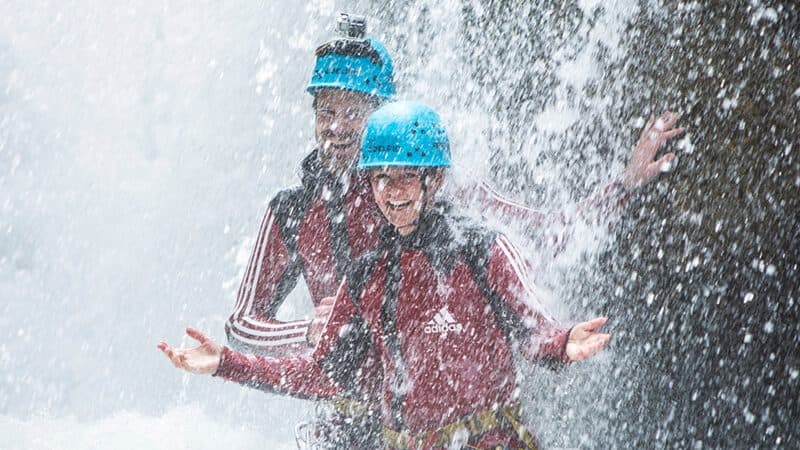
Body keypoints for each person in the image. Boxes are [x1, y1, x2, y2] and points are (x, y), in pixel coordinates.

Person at [160, 101, 613, 449]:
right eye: (379, 178)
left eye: (403, 177)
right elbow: (324, 374)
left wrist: (562, 342)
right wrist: (226, 363)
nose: (389, 192)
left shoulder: (483, 249)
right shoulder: (365, 275)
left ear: (433, 180)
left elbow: (535, 331)